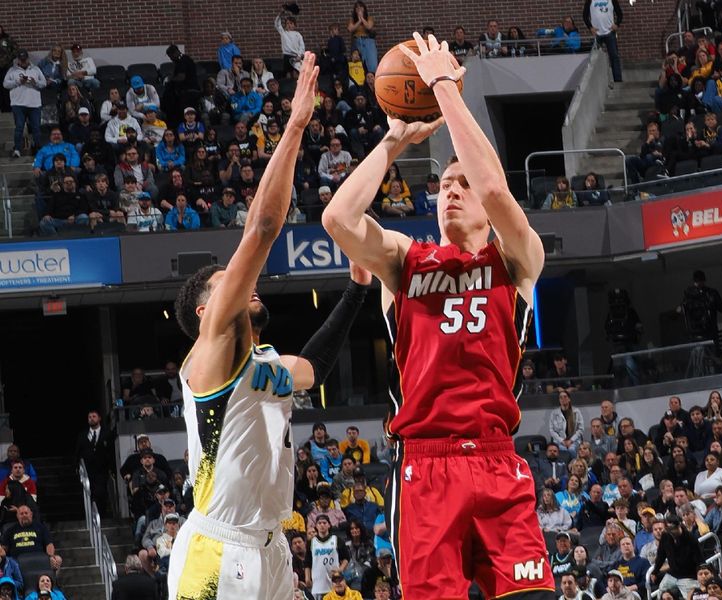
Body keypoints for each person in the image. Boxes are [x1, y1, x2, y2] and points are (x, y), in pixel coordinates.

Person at [322, 32, 553, 600]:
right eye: (443, 184)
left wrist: (445, 87)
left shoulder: (516, 258)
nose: (449, 191)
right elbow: (338, 220)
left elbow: (498, 190)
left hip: (498, 458)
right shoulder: (405, 260)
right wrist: (394, 141)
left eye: (460, 183)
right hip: (426, 466)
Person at [167, 54, 370, 600]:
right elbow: (261, 227)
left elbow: (316, 367)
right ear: (207, 313)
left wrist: (357, 289)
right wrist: (297, 125)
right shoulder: (208, 360)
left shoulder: (263, 365)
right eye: (225, 284)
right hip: (216, 549)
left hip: (272, 545)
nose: (241, 284)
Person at [4, 50, 44, 159]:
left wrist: (35, 83)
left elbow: (43, 83)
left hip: (34, 104)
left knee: (36, 128)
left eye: (24, 59)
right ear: (18, 60)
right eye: (21, 60)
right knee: (19, 127)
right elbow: (5, 84)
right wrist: (18, 82)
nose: (23, 61)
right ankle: (17, 149)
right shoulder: (12, 71)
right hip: (18, 104)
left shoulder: (36, 69)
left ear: (28, 59)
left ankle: (37, 148)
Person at [75, 410, 115, 517]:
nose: (91, 418)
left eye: (94, 416)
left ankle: (101, 515)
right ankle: (91, 515)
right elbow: (78, 452)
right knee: (90, 493)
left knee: (101, 493)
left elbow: (111, 452)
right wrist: (77, 467)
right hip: (88, 470)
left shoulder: (107, 433)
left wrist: (111, 467)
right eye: (89, 417)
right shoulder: (83, 435)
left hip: (102, 470)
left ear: (99, 418)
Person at [651, 516, 702, 598]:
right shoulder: (665, 536)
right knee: (661, 592)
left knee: (691, 596)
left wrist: (700, 576)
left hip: (688, 575)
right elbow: (661, 555)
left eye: (674, 528)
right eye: (669, 529)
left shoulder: (691, 538)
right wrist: (655, 571)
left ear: (679, 526)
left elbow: (699, 560)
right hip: (672, 574)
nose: (672, 532)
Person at [583, 0, 624, 82]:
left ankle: (618, 80)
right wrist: (590, 28)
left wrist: (617, 24)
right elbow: (585, 16)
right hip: (597, 34)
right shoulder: (590, 1)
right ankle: (597, 81)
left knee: (614, 57)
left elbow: (620, 14)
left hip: (610, 33)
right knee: (594, 58)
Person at [550, 390, 584, 458]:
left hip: (574, 440)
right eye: (561, 397)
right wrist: (562, 441)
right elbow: (552, 431)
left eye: (565, 397)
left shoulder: (576, 412)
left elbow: (581, 429)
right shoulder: (554, 413)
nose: (563, 399)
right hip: (560, 441)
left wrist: (571, 441)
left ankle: (574, 466)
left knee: (572, 449)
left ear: (569, 399)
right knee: (563, 450)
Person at [348, 2, 378, 74]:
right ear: (355, 10)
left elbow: (369, 26)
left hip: (368, 42)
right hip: (357, 41)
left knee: (372, 64)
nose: (359, 9)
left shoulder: (369, 18)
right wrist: (359, 21)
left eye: (361, 7)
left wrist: (362, 18)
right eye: (357, 7)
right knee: (359, 64)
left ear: (364, 9)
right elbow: (350, 29)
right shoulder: (352, 20)